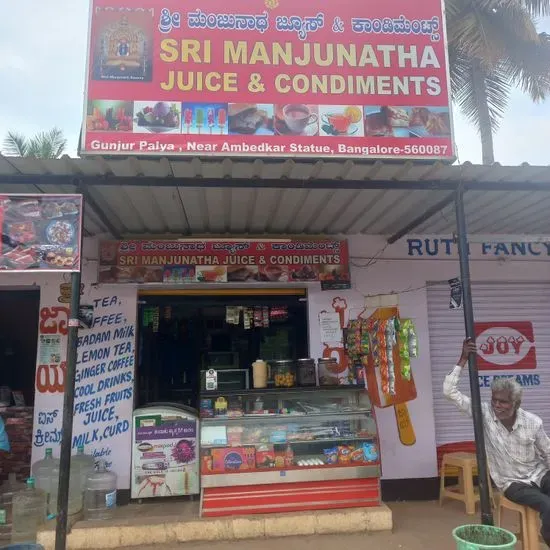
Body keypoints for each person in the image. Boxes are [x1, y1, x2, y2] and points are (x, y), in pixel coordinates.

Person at [444, 338, 550, 546]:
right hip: (512, 482)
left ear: (515, 404)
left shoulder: (533, 422)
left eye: (503, 402)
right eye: (494, 400)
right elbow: (450, 392)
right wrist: (463, 358)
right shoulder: (484, 413)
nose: (497, 406)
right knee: (547, 505)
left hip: (539, 474)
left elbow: (548, 452)